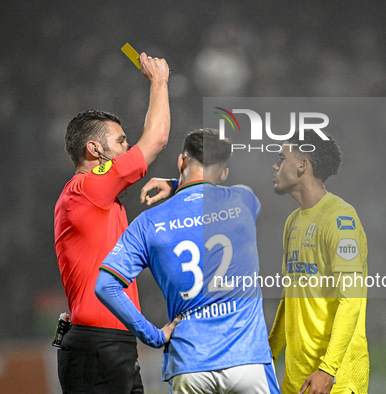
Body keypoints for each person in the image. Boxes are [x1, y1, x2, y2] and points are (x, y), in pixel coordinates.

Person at [95, 129, 280, 394]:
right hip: (247, 359)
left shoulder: (148, 223)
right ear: (224, 174)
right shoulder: (243, 200)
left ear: (181, 161)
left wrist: (153, 335)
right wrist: (175, 184)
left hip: (191, 363)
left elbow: (105, 286)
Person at [54, 53, 172, 394]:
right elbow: (157, 139)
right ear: (95, 150)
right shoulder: (89, 187)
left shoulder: (93, 198)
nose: (128, 148)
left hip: (105, 343)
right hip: (98, 345)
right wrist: (159, 82)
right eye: (121, 141)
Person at [268, 132, 369, 394]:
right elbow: (289, 296)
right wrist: (269, 353)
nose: (275, 166)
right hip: (296, 379)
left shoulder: (340, 219)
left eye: (281, 159)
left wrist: (328, 370)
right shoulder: (292, 223)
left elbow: (351, 300)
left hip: (335, 381)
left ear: (302, 165)